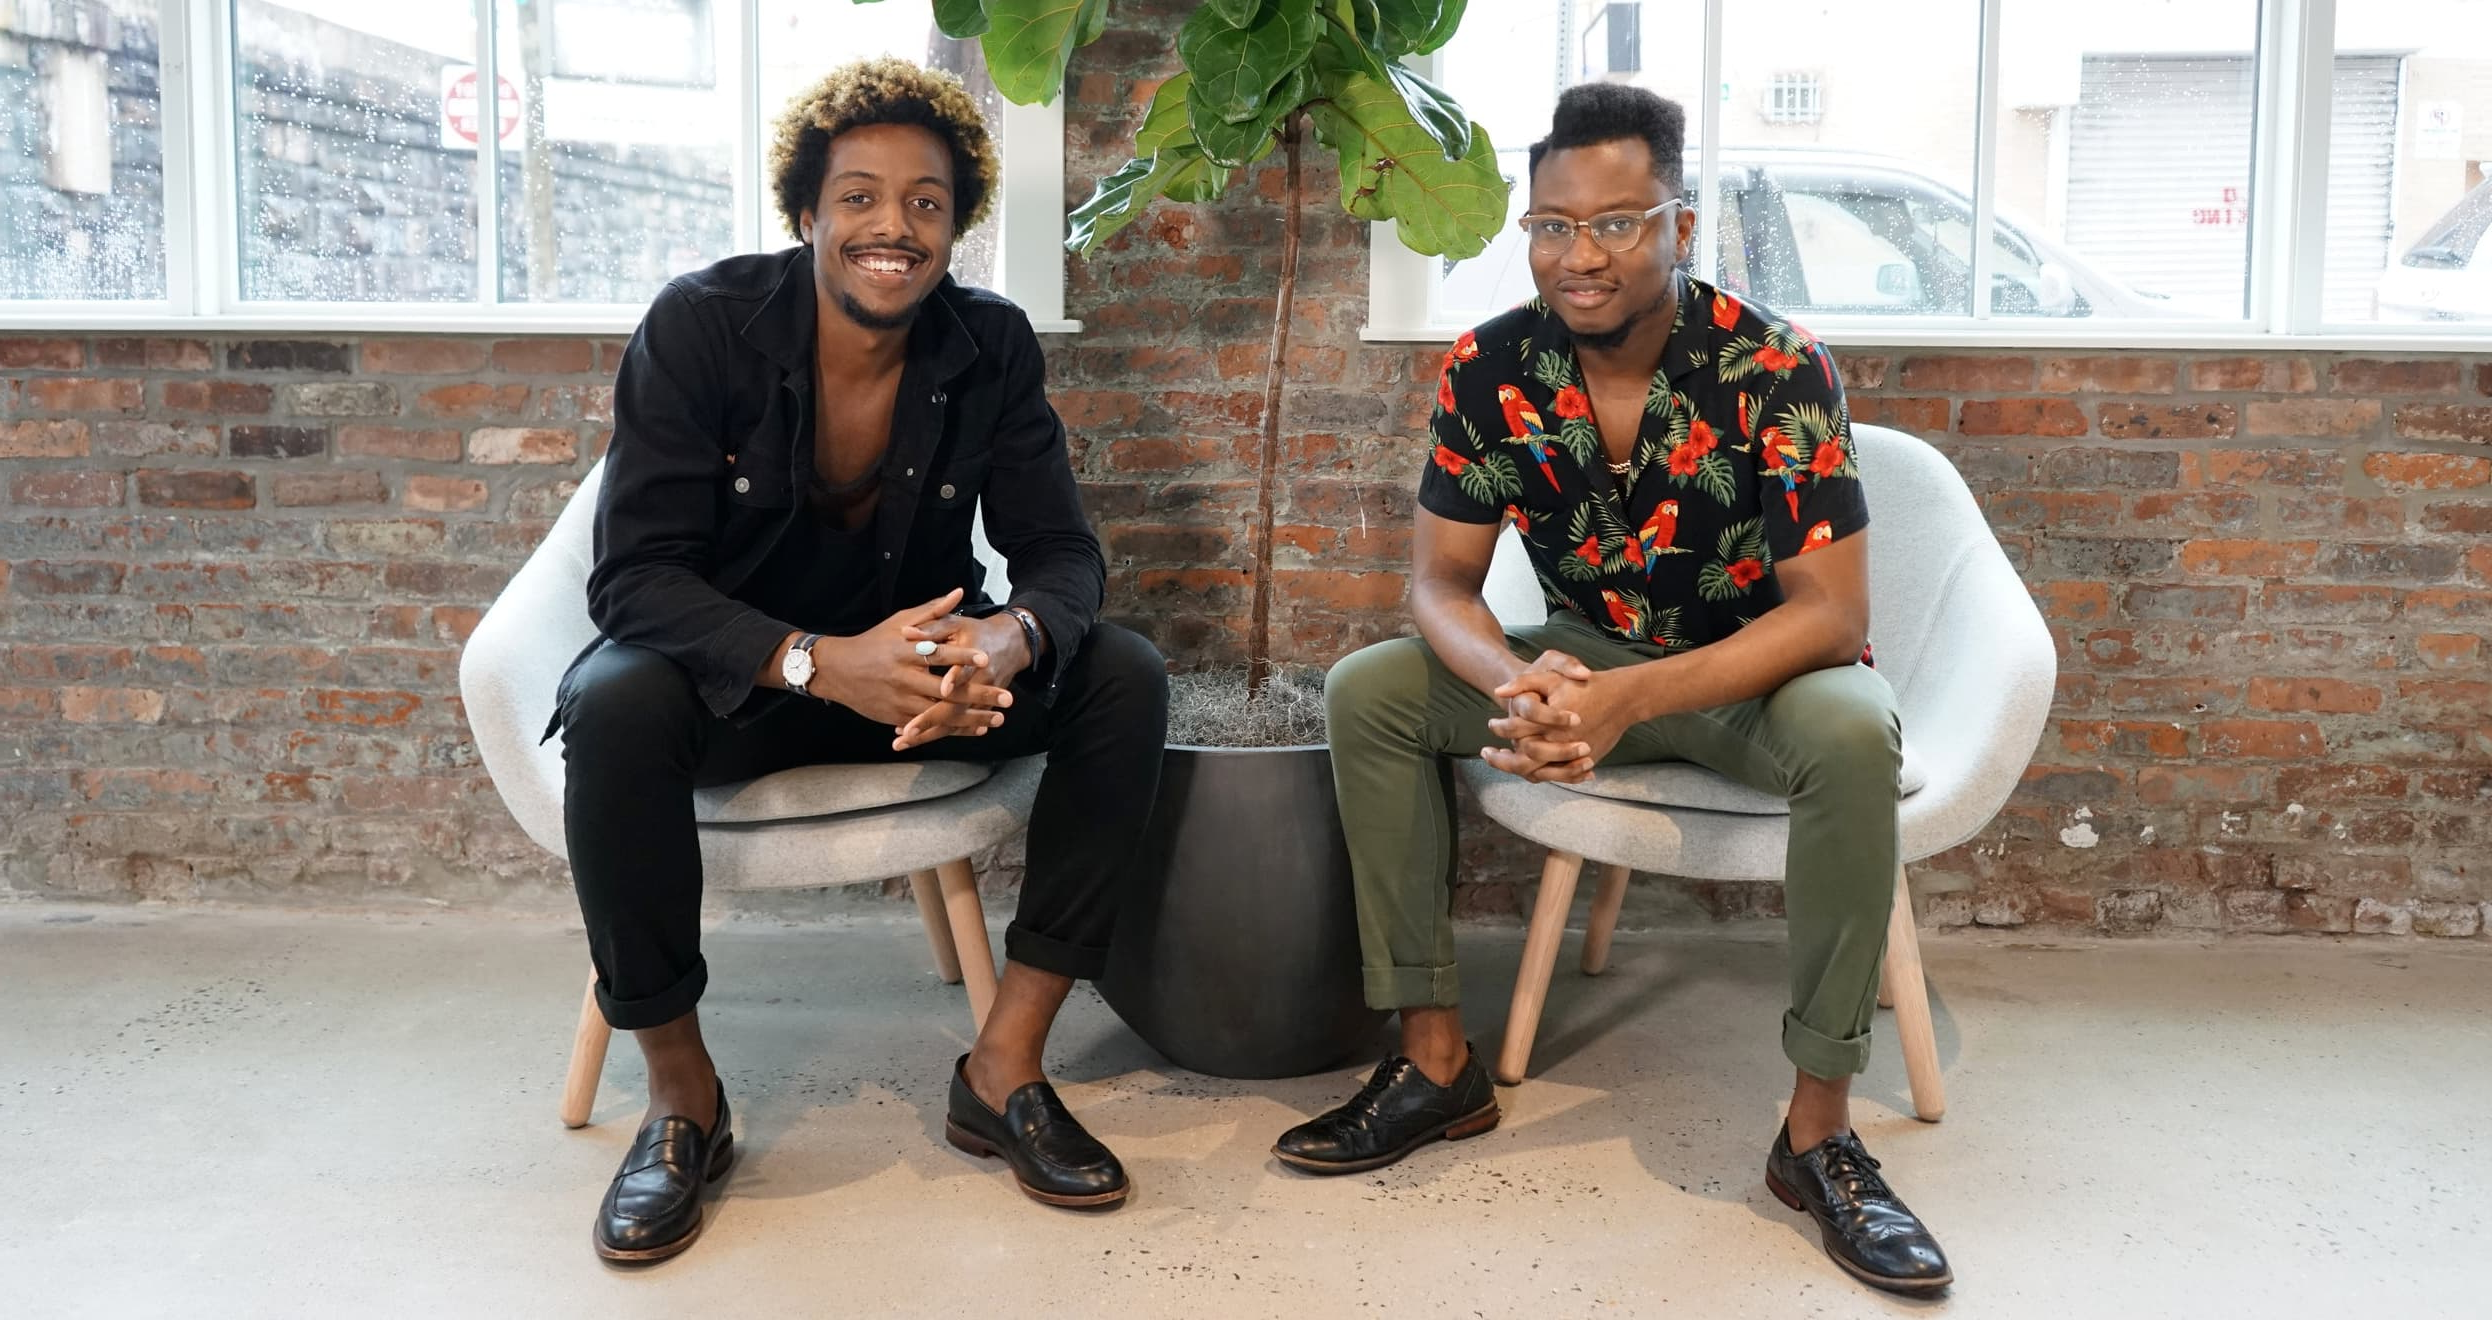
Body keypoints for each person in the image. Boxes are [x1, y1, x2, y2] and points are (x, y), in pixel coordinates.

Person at [1273, 83, 1952, 1296]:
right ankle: (1434, 1065)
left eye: (1615, 224)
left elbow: (1830, 617)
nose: (1578, 256)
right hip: (1584, 655)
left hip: (1752, 671)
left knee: (1855, 735)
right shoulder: (1491, 365)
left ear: (1678, 227)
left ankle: (1817, 1138)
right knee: (1369, 690)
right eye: (1550, 226)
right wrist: (1521, 680)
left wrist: (1623, 707)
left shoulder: (1775, 366)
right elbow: (1436, 588)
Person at [550, 57, 1166, 1263]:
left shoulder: (988, 346)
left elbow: (1060, 556)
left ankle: (1004, 1067)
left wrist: (1003, 639)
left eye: (926, 204)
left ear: (955, 225)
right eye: (862, 199)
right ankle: (685, 1104)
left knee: (1122, 675)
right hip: (748, 683)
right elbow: (632, 579)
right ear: (806, 213)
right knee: (612, 704)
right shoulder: (701, 326)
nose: (894, 227)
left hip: (925, 684)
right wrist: (816, 662)